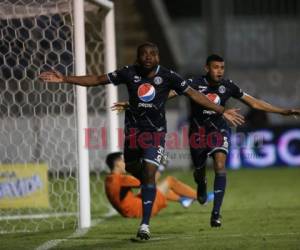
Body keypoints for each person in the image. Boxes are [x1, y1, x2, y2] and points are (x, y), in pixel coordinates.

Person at [39, 42, 244, 240]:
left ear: (158, 57)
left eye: (152, 54)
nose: (148, 57)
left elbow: (194, 94)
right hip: (133, 135)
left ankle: (144, 225)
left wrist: (222, 110)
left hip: (155, 134)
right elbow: (97, 79)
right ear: (138, 57)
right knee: (134, 167)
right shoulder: (129, 72)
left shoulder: (168, 76)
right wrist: (65, 78)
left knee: (148, 172)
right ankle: (156, 180)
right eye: (144, 53)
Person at [111, 54, 300, 229]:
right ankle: (201, 183)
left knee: (220, 164)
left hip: (218, 131)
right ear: (206, 68)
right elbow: (166, 94)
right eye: (216, 67)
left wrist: (283, 111)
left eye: (222, 67)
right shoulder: (193, 83)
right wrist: (132, 103)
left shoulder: (228, 86)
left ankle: (216, 213)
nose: (219, 71)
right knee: (199, 171)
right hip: (197, 135)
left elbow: (254, 102)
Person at [105, 152, 213, 219]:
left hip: (131, 210)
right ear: (118, 163)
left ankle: (183, 199)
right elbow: (149, 182)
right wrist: (162, 166)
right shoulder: (121, 179)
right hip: (141, 210)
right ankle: (201, 197)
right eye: (124, 161)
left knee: (151, 190)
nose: (126, 163)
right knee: (169, 181)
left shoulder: (108, 179)